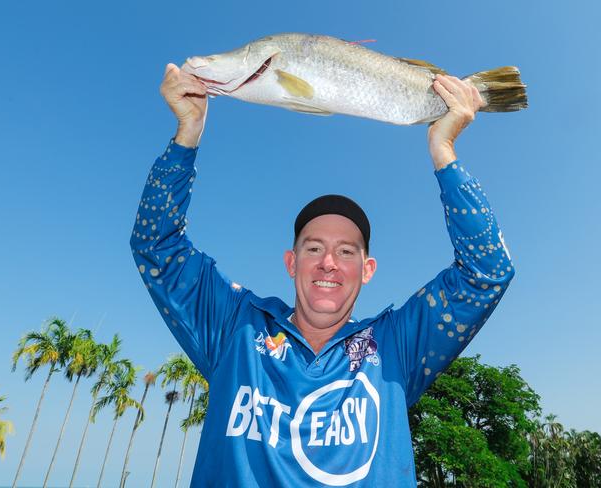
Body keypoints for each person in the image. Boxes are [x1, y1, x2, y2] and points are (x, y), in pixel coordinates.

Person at [130, 62, 515, 487]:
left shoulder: (396, 347)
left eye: (346, 251)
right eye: (313, 248)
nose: (328, 262)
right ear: (291, 263)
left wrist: (444, 152)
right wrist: (189, 132)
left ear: (366, 270)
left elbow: (487, 271)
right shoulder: (233, 329)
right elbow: (156, 247)